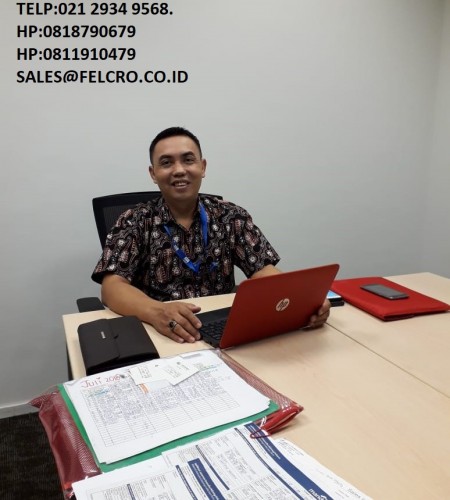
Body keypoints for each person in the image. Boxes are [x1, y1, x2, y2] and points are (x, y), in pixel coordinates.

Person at [92, 127, 330, 343]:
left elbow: (262, 270)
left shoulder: (230, 216)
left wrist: (300, 300)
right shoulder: (134, 220)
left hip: (221, 330)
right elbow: (112, 287)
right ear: (153, 173)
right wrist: (156, 311)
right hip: (161, 331)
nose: (179, 170)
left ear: (203, 167)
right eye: (166, 163)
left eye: (188, 160)